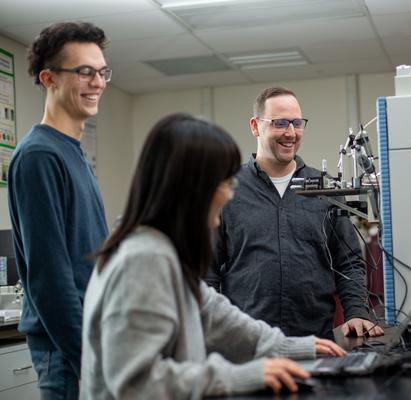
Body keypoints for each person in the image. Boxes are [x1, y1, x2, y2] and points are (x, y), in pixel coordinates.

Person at [80, 113, 345, 399]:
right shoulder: (143, 259)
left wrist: (286, 347)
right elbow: (137, 384)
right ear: (192, 188)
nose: (230, 194)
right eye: (225, 183)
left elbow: (212, 313)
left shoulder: (164, 250)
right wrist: (242, 375)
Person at [207, 87, 384, 340]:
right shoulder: (228, 190)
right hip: (248, 344)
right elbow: (207, 271)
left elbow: (349, 261)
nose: (290, 133)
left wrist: (357, 312)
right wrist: (211, 327)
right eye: (279, 123)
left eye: (297, 123)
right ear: (256, 126)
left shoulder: (326, 190)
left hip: (316, 341)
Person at [7, 22, 110, 399]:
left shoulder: (72, 152)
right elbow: (49, 279)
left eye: (101, 72)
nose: (97, 82)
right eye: (84, 71)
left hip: (89, 341)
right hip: (68, 354)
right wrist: (89, 360)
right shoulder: (39, 156)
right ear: (49, 78)